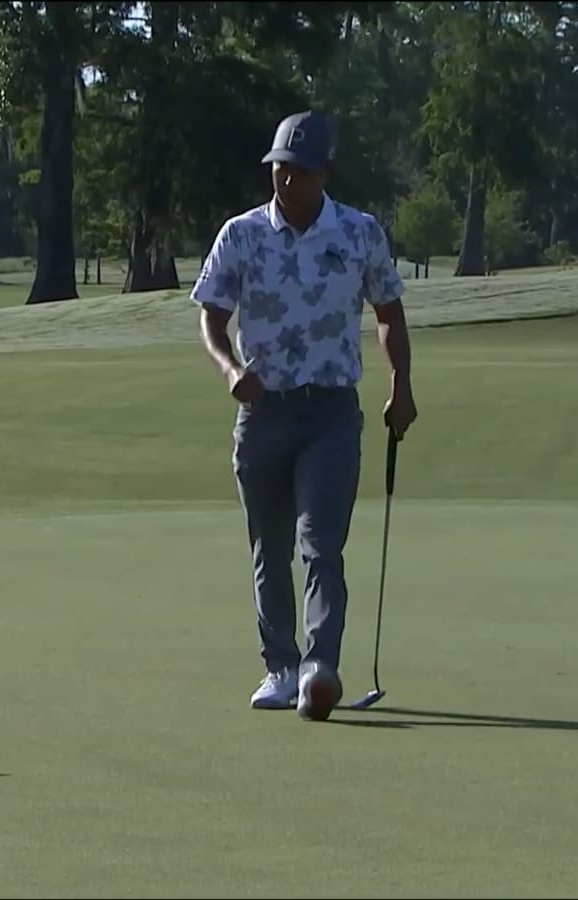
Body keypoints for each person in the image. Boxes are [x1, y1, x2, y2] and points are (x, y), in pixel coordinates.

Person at [189, 109, 417, 721]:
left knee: (321, 545)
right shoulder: (240, 235)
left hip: (332, 412)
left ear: (326, 173)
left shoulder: (359, 232)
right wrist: (231, 369)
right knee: (270, 546)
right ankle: (280, 667)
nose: (286, 182)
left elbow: (389, 312)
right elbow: (211, 317)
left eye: (300, 171)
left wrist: (402, 383)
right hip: (263, 411)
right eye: (280, 170)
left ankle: (320, 667)